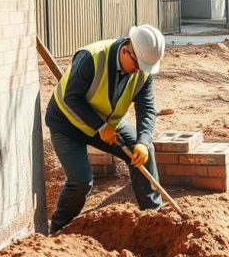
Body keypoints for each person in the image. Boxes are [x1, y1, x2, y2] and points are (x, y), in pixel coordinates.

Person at [45, 25, 167, 232]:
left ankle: (153, 217)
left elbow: (146, 107)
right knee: (81, 182)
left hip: (108, 123)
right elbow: (72, 97)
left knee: (143, 152)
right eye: (138, 65)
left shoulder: (143, 70)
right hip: (68, 124)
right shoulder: (91, 58)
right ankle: (58, 230)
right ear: (126, 50)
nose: (140, 71)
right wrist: (100, 126)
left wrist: (143, 141)